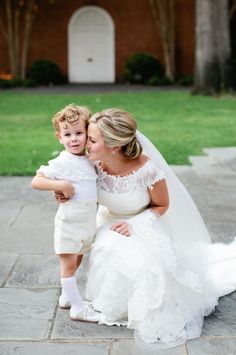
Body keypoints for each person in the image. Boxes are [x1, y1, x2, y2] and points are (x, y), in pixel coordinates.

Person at [56, 108, 236, 348]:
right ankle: (113, 302)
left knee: (151, 268)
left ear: (114, 146)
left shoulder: (146, 169)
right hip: (107, 221)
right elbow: (76, 186)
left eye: (92, 139)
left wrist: (135, 224)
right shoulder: (90, 162)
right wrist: (63, 193)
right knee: (112, 248)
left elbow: (162, 205)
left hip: (143, 221)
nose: (85, 144)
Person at [31, 104, 100, 323]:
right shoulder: (63, 161)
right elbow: (37, 181)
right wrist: (61, 185)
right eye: (67, 134)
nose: (74, 139)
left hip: (87, 222)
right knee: (68, 266)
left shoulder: (88, 159)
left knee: (77, 260)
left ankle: (66, 297)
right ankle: (78, 308)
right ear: (59, 137)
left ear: (88, 134)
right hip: (70, 222)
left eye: (79, 133)